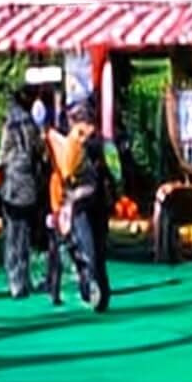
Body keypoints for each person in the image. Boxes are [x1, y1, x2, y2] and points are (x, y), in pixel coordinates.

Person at [0, 92, 53, 300]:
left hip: (12, 185)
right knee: (25, 234)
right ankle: (24, 277)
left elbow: (2, 156)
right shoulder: (31, 126)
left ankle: (15, 281)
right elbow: (40, 152)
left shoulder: (10, 126)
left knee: (13, 234)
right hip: (29, 184)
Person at [59, 103, 117, 313]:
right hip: (92, 201)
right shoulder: (94, 143)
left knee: (90, 249)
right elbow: (115, 171)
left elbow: (67, 172)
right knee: (93, 249)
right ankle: (97, 292)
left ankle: (95, 291)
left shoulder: (86, 142)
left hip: (88, 202)